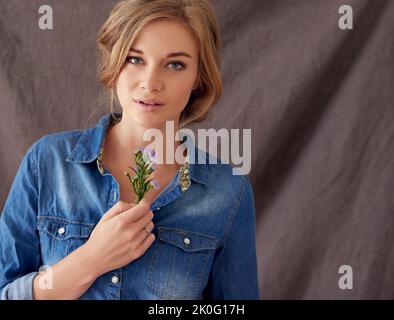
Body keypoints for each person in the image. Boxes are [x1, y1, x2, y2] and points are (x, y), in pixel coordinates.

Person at [0, 0, 259, 300]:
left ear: (199, 76)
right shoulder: (46, 163)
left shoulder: (228, 190)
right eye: (136, 59)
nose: (150, 83)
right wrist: (91, 259)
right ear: (115, 61)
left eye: (175, 64)